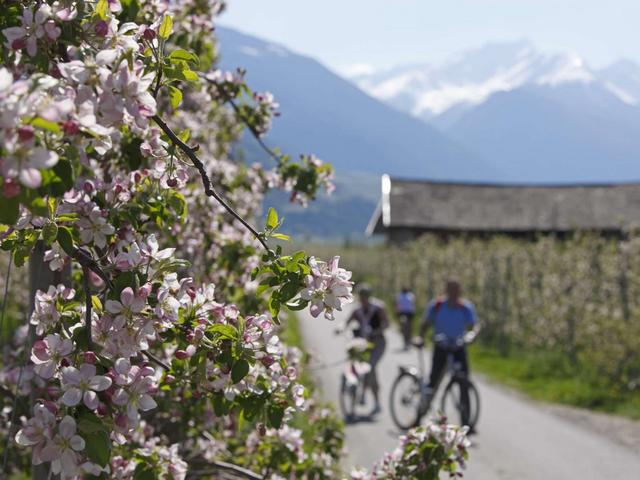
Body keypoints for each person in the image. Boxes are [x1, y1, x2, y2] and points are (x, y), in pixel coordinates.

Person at [415, 280, 480, 424]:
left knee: (463, 381)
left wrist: (472, 335)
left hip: (458, 347)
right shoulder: (437, 305)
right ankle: (420, 414)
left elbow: (474, 325)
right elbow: (426, 323)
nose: (453, 293)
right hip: (441, 347)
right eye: (451, 290)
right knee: (433, 381)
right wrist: (420, 337)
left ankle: (466, 419)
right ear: (446, 290)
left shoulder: (465, 307)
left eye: (456, 290)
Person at [347, 283, 389, 415]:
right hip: (363, 343)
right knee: (362, 367)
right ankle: (363, 394)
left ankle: (376, 401)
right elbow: (347, 322)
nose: (363, 298)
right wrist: (340, 328)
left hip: (378, 342)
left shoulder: (378, 307)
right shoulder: (357, 310)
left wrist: (376, 331)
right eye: (361, 296)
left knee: (370, 367)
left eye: (365, 295)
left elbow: (386, 323)